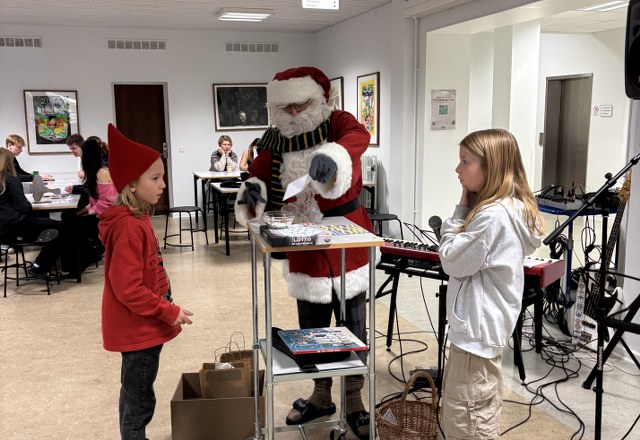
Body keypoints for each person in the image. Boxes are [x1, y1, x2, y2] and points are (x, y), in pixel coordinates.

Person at [234, 66, 373, 439]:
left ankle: (355, 398)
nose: (295, 113)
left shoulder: (336, 122)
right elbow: (259, 174)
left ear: (318, 100)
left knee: (353, 326)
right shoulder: (276, 138)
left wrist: (335, 155)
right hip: (303, 243)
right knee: (312, 327)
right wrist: (251, 200)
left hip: (345, 240)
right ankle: (321, 394)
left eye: (302, 105)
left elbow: (358, 136)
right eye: (286, 107)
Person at [438, 128, 544, 440]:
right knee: (473, 413)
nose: (457, 169)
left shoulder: (492, 218)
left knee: (468, 422)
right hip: (480, 333)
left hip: (476, 336)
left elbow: (451, 260)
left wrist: (460, 212)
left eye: (465, 161)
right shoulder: (506, 209)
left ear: (491, 167)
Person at [99, 124, 193, 440]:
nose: (163, 184)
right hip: (138, 329)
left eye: (162, 176)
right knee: (139, 402)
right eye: (155, 178)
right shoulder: (128, 227)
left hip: (143, 326)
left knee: (135, 396)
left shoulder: (137, 219)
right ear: (131, 183)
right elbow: (128, 288)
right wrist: (167, 310)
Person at [0, 148, 66, 278]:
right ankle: (40, 266)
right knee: (63, 228)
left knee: (48, 224)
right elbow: (24, 207)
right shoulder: (10, 179)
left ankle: (41, 265)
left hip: (3, 231)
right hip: (15, 228)